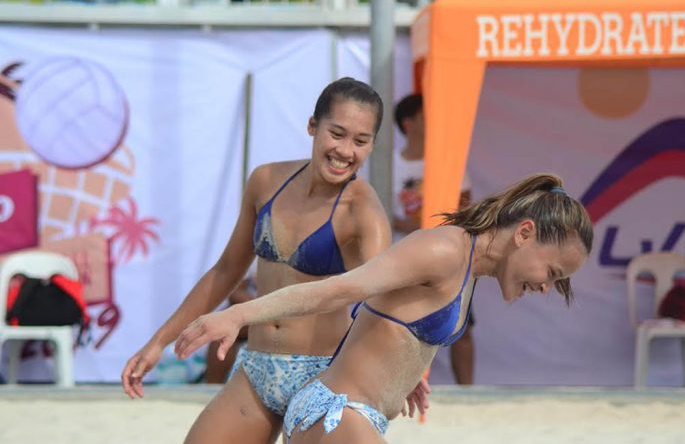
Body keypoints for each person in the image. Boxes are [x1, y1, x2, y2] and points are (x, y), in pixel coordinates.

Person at [175, 173, 594, 443]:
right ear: (524, 232)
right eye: (553, 272)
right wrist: (237, 315)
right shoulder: (444, 249)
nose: (545, 287)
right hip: (337, 414)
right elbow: (341, 290)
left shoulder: (468, 271)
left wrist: (405, 369)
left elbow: (380, 312)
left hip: (355, 418)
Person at [121, 77, 400, 444]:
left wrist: (405, 372)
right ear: (312, 126)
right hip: (257, 369)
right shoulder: (266, 180)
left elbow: (386, 301)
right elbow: (225, 271)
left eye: (360, 141)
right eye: (337, 133)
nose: (346, 150)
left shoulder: (363, 211)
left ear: (372, 145)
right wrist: (158, 342)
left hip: (326, 377)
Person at [393, 93, 474, 384]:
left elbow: (465, 209)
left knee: (461, 328)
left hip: (447, 259)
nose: (435, 121)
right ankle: (404, 388)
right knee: (402, 328)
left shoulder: (446, 161)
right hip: (403, 261)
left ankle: (468, 394)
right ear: (409, 123)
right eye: (427, 115)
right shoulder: (387, 164)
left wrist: (413, 222)